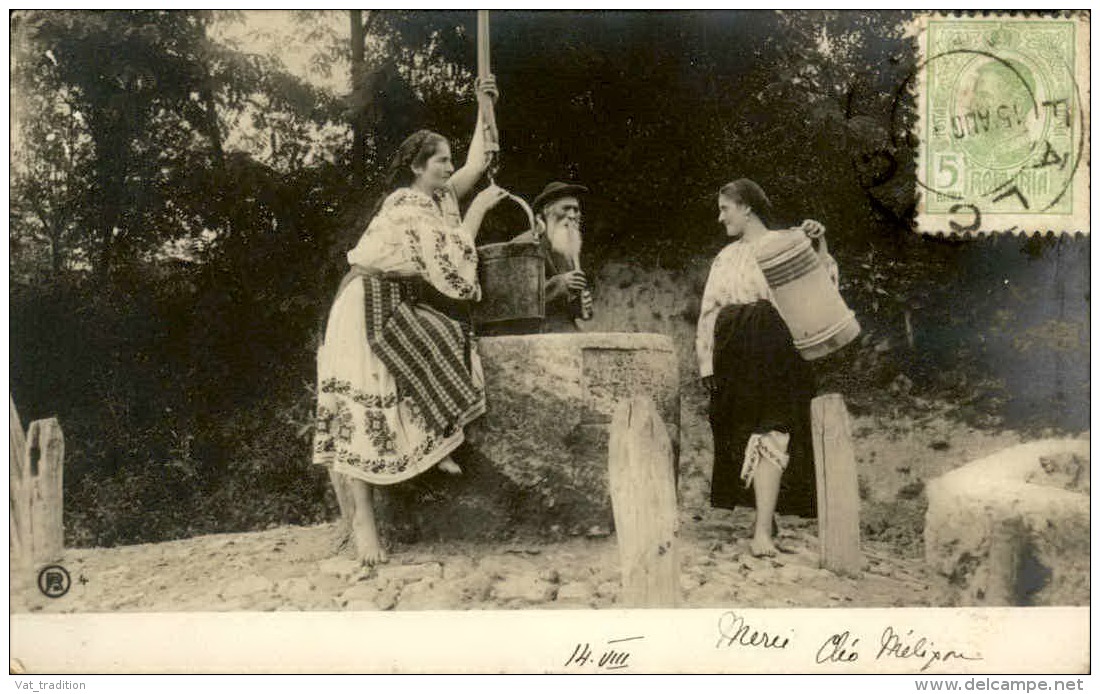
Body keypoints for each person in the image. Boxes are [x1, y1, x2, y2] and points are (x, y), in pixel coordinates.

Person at [314, 79, 509, 565]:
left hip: (390, 298)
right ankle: (364, 529)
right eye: (439, 160)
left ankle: (437, 435)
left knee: (444, 337)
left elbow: (480, 159)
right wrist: (481, 208)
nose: (449, 167)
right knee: (361, 405)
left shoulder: (439, 197)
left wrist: (485, 103)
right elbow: (452, 256)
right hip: (362, 302)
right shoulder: (407, 204)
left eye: (448, 159)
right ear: (418, 168)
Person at [696, 178, 831, 558]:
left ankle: (761, 534)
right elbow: (709, 310)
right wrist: (707, 362)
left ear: (747, 208)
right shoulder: (725, 257)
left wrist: (818, 243)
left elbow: (820, 286)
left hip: (775, 346)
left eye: (725, 208)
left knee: (773, 426)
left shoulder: (787, 243)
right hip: (733, 349)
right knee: (740, 430)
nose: (720, 217)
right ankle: (764, 517)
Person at [510, 182, 592, 332]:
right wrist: (560, 284)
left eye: (576, 209)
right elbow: (518, 298)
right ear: (547, 211)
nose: (573, 215)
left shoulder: (566, 248)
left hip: (563, 330)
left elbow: (562, 308)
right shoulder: (526, 244)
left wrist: (579, 306)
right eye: (566, 208)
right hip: (534, 333)